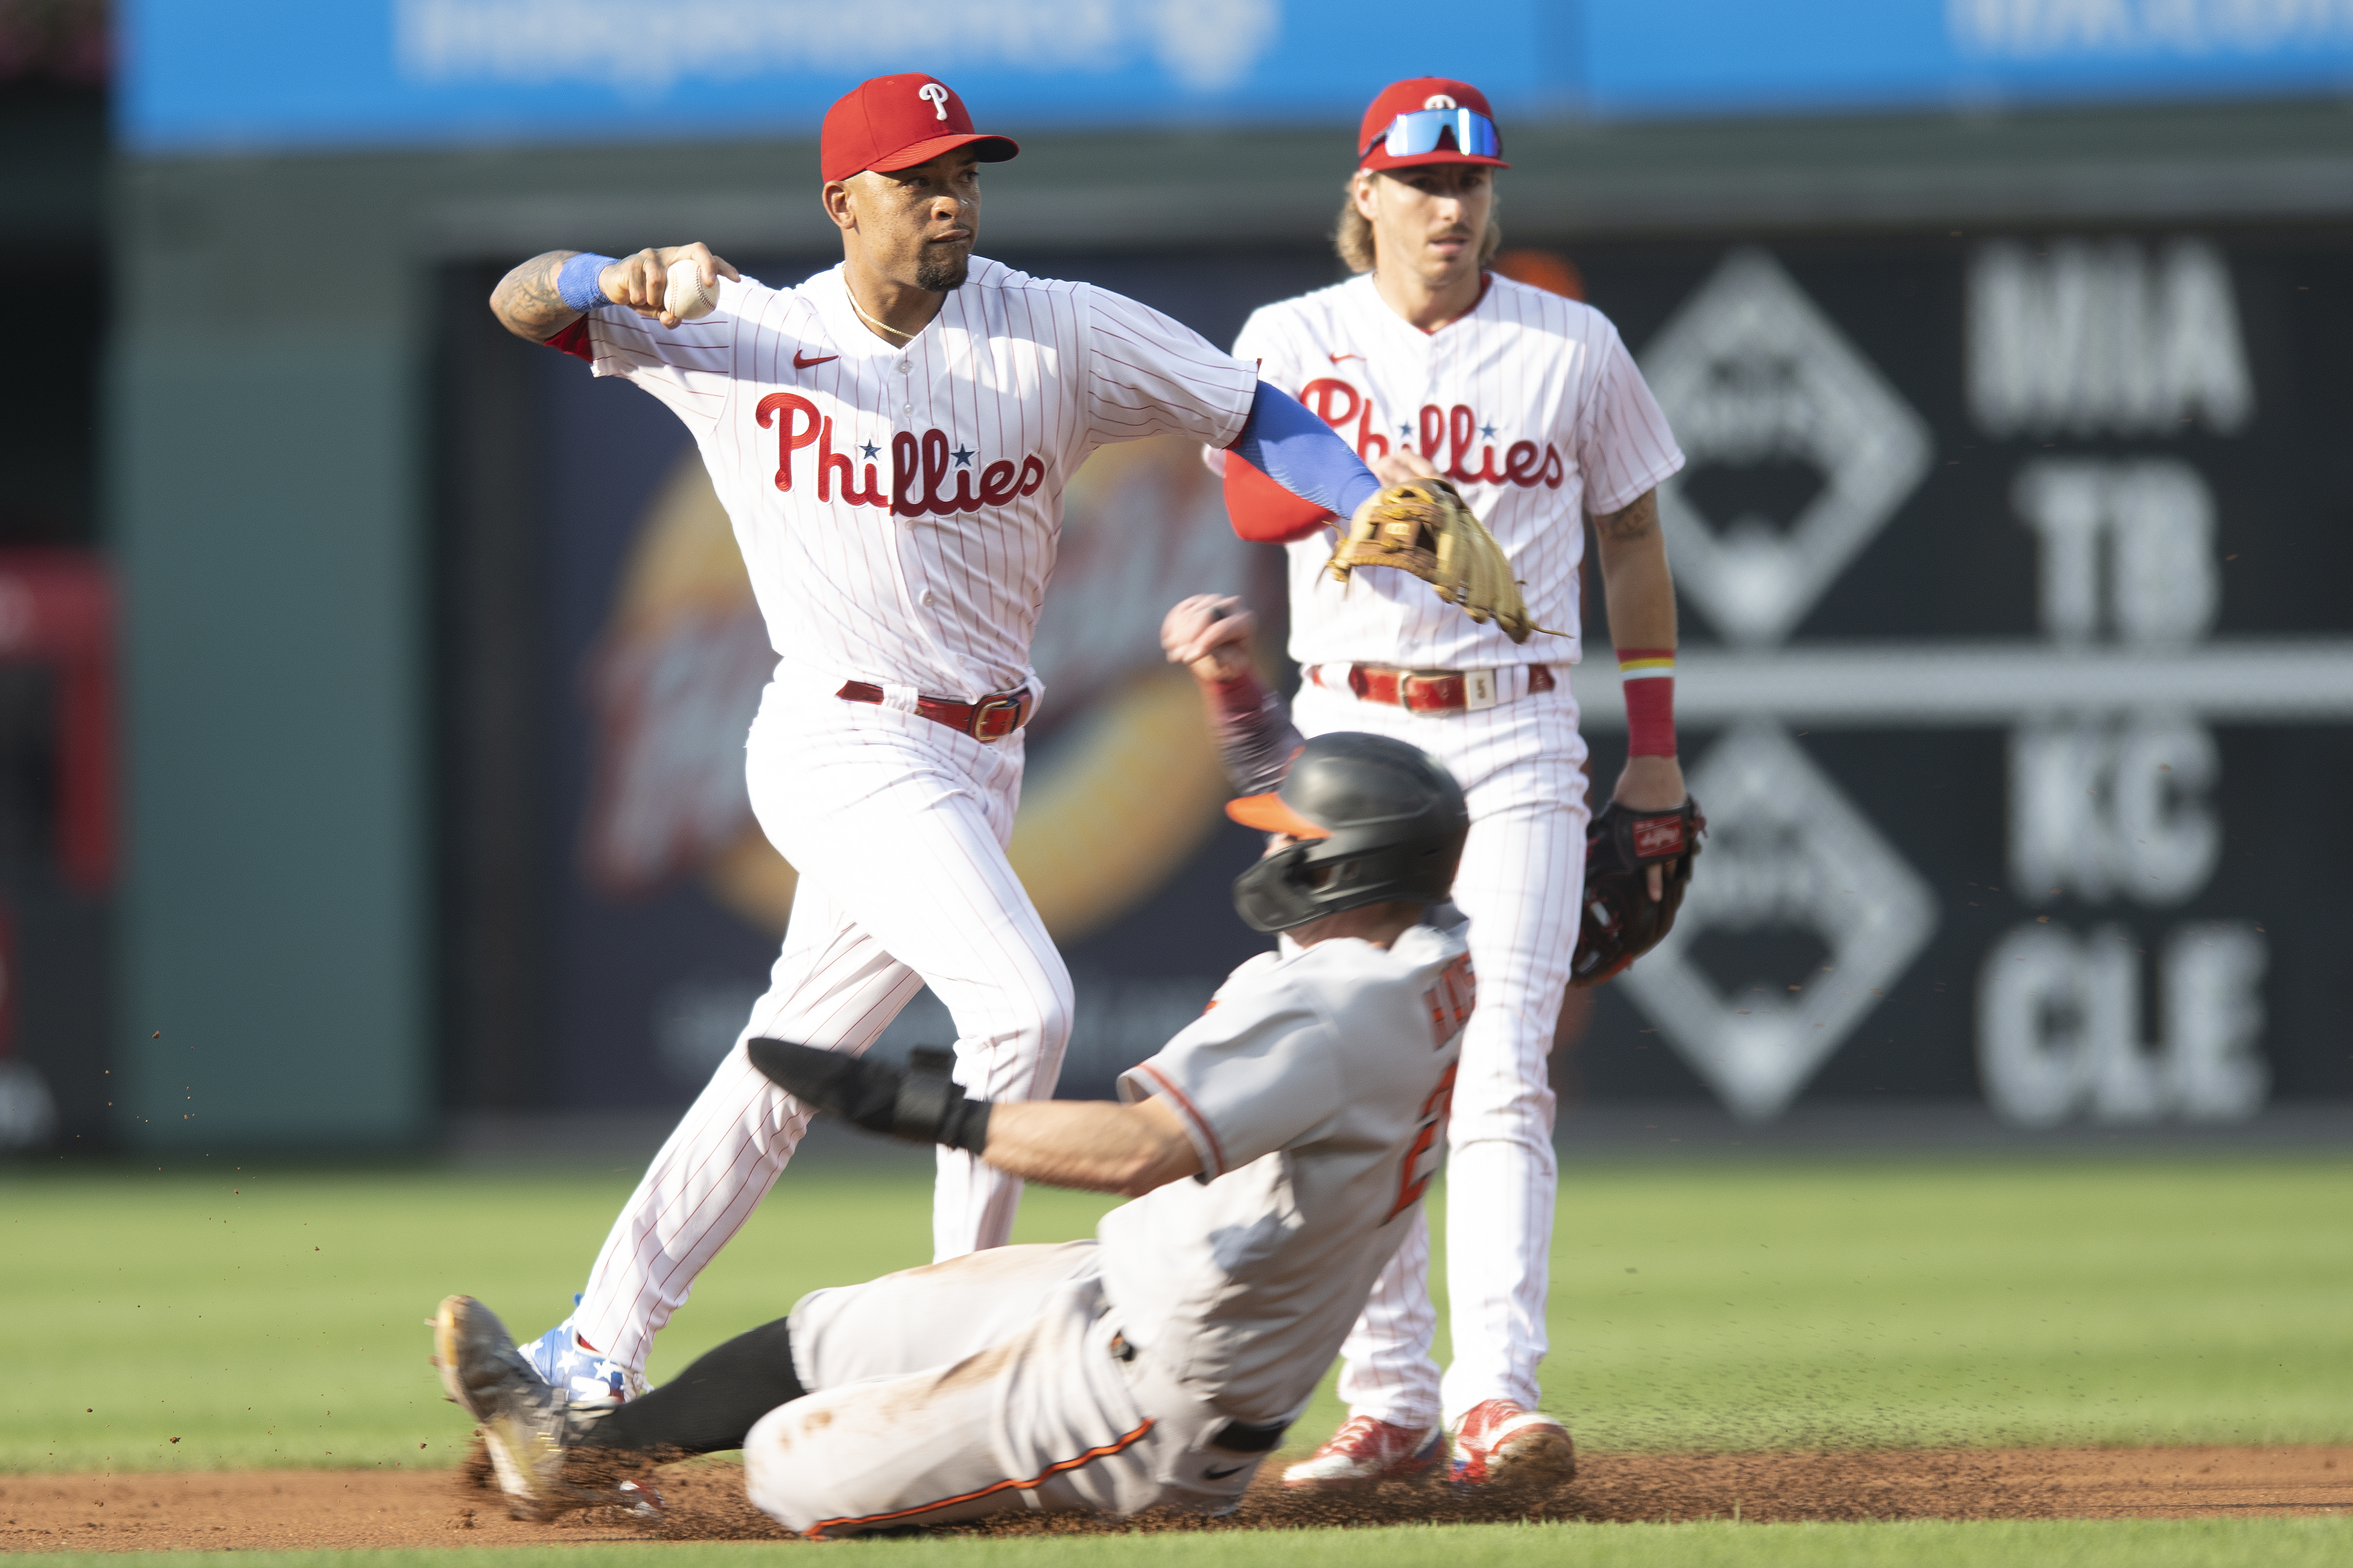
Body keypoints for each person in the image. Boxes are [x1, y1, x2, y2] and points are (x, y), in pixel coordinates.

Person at [480, 71, 1419, 1405]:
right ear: (842, 204)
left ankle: (587, 1351)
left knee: (777, 1068)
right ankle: (962, 1360)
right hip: (837, 740)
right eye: (921, 179)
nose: (950, 200)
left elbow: (1251, 410)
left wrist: (1368, 494)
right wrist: (605, 272)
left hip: (980, 756)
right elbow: (519, 302)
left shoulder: (1058, 332)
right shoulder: (743, 327)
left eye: (964, 174)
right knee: (1021, 1004)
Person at [435, 728, 1479, 1535]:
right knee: (828, 1333)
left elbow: (1143, 1151)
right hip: (1125, 1292)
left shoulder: (1342, 1005)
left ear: (1344, 871)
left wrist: (937, 1114)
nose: (1271, 847)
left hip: (1160, 1401)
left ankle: (1036, 1492)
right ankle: (571, 1446)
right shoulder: (1430, 960)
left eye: (1291, 838)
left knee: (792, 1466)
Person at [1197, 76, 1691, 1489]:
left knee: (1502, 1062)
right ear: (1367, 192)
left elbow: (1635, 536)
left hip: (1520, 736)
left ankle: (1494, 1397)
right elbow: (1245, 502)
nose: (1450, 205)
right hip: (1350, 738)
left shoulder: (1572, 345)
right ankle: (1391, 1397)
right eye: (1421, 181)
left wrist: (1652, 744)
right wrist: (1356, 490)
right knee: (1363, 1071)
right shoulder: (1290, 338)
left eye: (1471, 181)